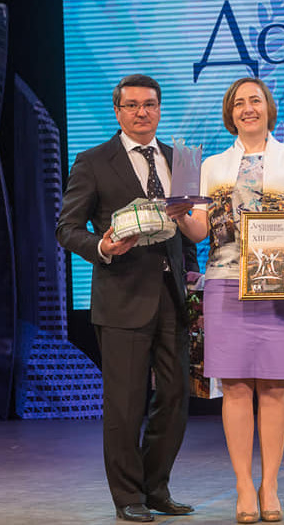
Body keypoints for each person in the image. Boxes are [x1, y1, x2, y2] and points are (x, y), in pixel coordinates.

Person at [175, 77, 284, 524]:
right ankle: (242, 486)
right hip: (224, 283)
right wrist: (179, 216)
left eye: (255, 100)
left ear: (268, 108)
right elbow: (199, 229)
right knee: (234, 388)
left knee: (275, 387)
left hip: (279, 287)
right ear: (230, 113)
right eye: (239, 103)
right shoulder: (212, 165)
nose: (248, 108)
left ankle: (269, 484)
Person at [55, 74, 194, 522]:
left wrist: (193, 278)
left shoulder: (178, 159)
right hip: (121, 299)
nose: (141, 112)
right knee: (126, 405)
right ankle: (128, 497)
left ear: (160, 109)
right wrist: (101, 246)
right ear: (117, 112)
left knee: (174, 398)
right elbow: (66, 228)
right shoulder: (94, 161)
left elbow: (186, 227)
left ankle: (156, 488)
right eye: (131, 105)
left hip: (173, 298)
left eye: (149, 104)